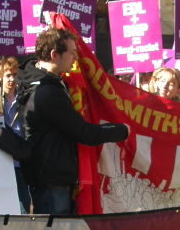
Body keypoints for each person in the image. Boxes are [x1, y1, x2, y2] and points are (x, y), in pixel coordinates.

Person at [19, 27, 128, 215]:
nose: (76, 59)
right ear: (55, 54)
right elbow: (84, 133)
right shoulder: (46, 93)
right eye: (72, 53)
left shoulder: (49, 82)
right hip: (53, 181)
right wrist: (123, 130)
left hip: (53, 177)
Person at [0, 57, 32, 211]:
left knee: (26, 203)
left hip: (23, 156)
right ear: (0, 76)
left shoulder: (24, 97)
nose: (12, 79)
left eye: (15, 75)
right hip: (3, 158)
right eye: (8, 75)